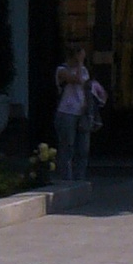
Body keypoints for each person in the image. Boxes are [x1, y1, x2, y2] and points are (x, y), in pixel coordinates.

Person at [53, 43, 105, 183]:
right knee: (67, 145)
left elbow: (86, 88)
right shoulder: (62, 70)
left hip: (82, 113)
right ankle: (66, 178)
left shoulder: (84, 70)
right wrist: (80, 63)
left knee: (83, 148)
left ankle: (80, 178)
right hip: (67, 112)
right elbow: (76, 80)